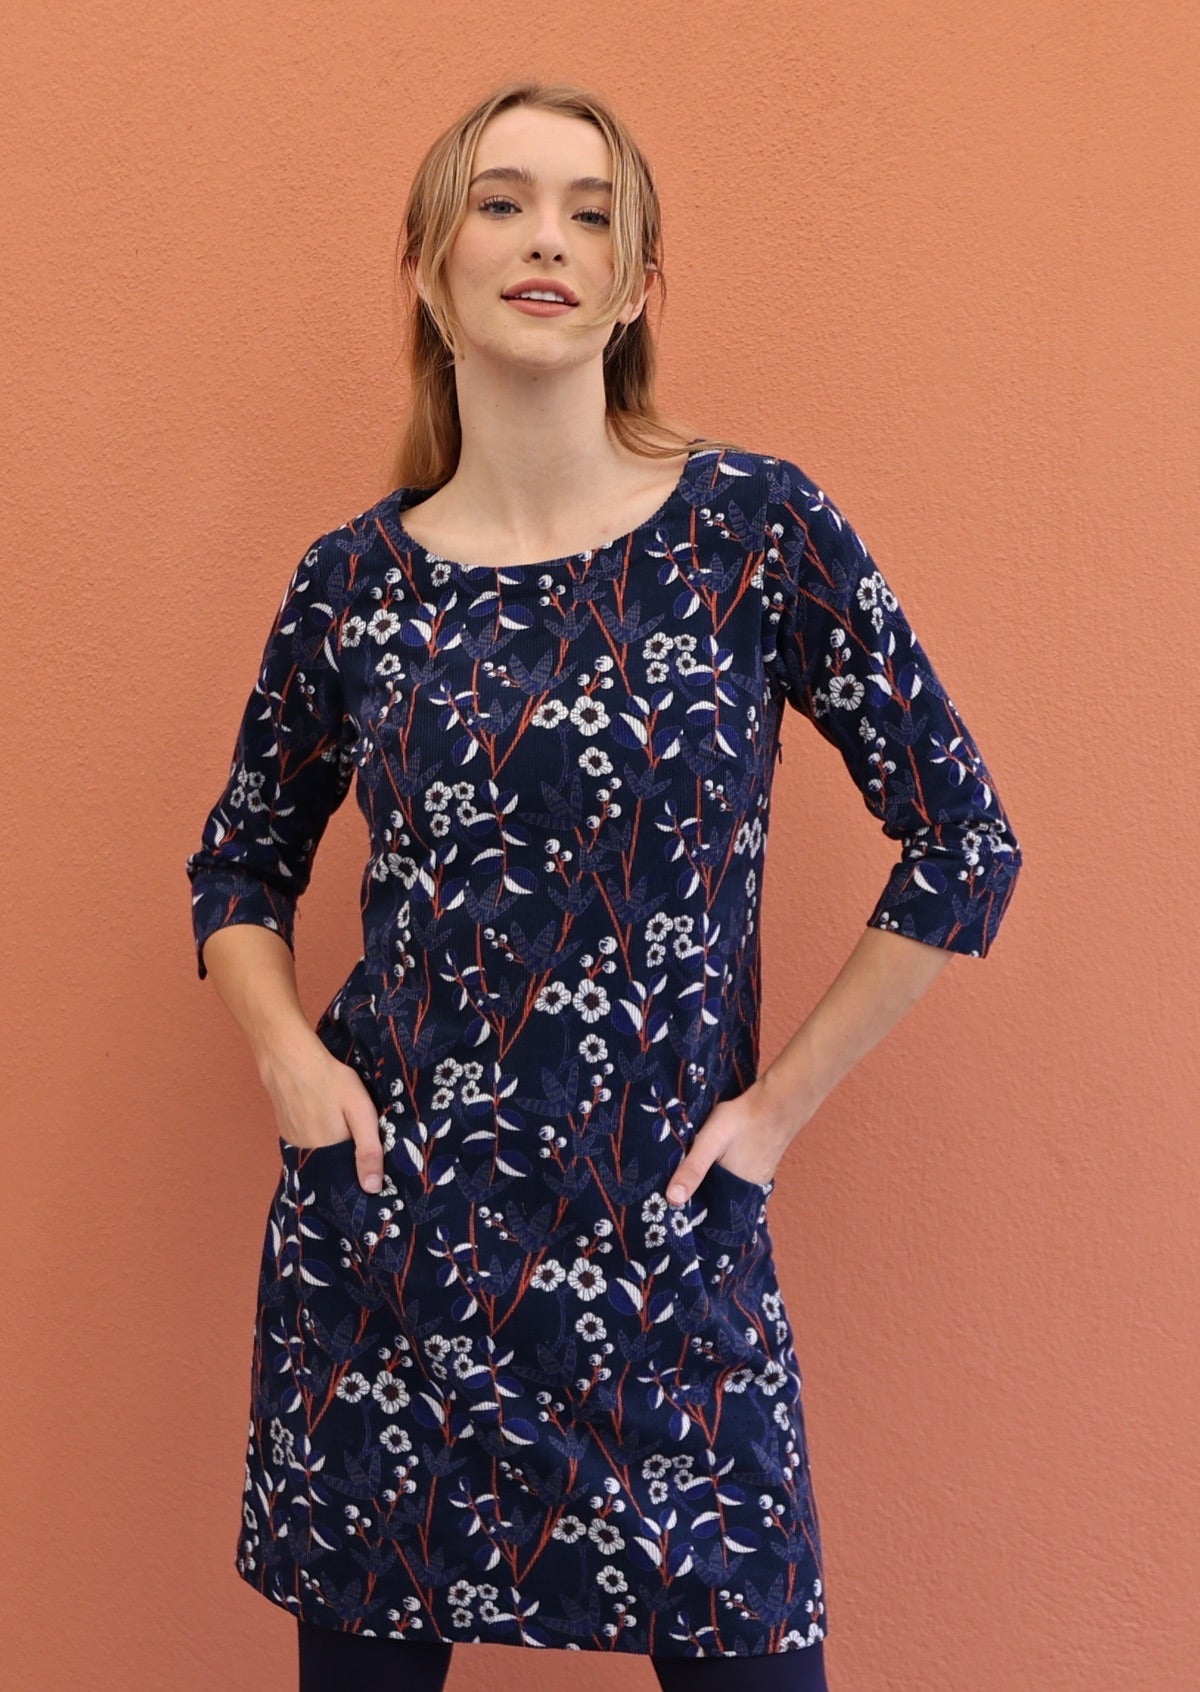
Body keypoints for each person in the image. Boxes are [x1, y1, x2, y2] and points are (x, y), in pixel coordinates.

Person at [185, 80, 1022, 1692]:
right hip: (391, 1258)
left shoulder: (753, 534)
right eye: (500, 204)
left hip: (667, 1256)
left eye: (590, 212)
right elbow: (241, 862)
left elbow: (962, 838)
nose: (544, 240)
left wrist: (772, 1117)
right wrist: (292, 1064)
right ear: (430, 268)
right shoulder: (354, 583)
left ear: (640, 283)